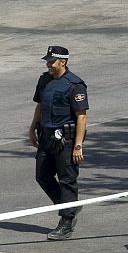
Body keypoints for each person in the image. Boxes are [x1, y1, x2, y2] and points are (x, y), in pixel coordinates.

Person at [28, 45, 88, 241]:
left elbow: (81, 117)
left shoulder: (75, 84)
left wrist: (78, 145)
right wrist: (32, 128)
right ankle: (69, 206)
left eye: (52, 61)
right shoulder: (44, 80)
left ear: (63, 62)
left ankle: (66, 222)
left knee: (67, 180)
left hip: (66, 140)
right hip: (46, 137)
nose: (49, 65)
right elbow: (40, 105)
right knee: (42, 176)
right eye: (47, 61)